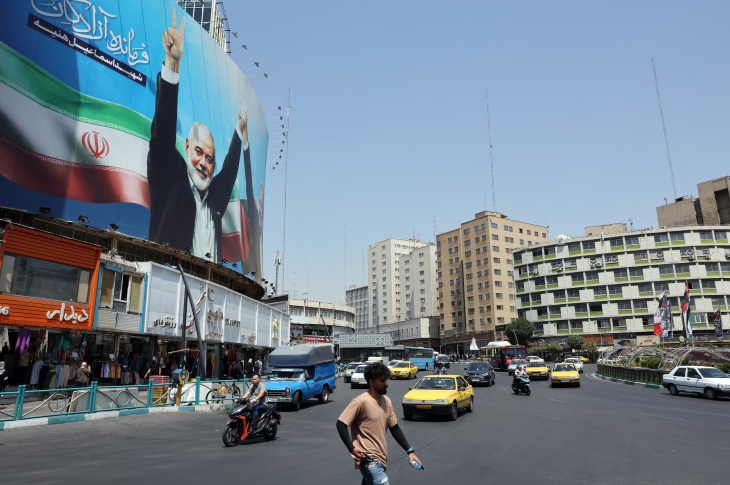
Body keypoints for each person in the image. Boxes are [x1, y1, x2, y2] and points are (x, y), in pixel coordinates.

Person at [147, 8, 250, 262]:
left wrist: (240, 128)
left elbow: (229, 170)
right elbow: (162, 131)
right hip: (170, 284)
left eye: (210, 158)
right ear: (186, 147)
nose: (204, 163)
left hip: (210, 289)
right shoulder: (170, 177)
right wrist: (173, 64)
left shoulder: (215, 195)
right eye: (199, 152)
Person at [336, 362, 423, 485]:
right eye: (382, 380)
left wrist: (410, 451)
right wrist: (352, 448)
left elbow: (394, 427)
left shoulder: (386, 401)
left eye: (386, 379)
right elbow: (341, 423)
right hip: (369, 460)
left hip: (382, 460)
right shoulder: (360, 401)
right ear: (371, 382)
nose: (386, 383)